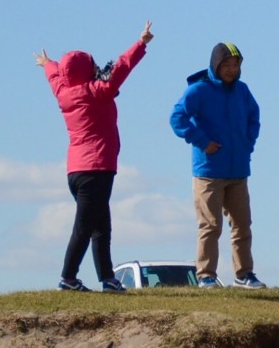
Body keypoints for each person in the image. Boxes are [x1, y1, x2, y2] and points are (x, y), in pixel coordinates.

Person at [35, 21, 151, 292]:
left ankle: (108, 279)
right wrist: (141, 43)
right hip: (96, 168)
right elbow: (122, 67)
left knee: (101, 226)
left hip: (76, 171)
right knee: (85, 228)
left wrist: (47, 63)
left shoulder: (63, 93)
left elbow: (54, 77)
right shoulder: (98, 91)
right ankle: (68, 277)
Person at [169, 41, 264, 289]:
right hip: (208, 173)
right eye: (227, 65)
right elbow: (176, 118)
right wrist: (202, 141)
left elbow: (254, 117)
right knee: (210, 225)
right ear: (216, 65)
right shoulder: (199, 90)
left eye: (236, 65)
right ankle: (206, 275)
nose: (232, 70)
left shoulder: (243, 91)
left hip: (239, 171)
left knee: (243, 226)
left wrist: (247, 144)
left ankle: (244, 275)